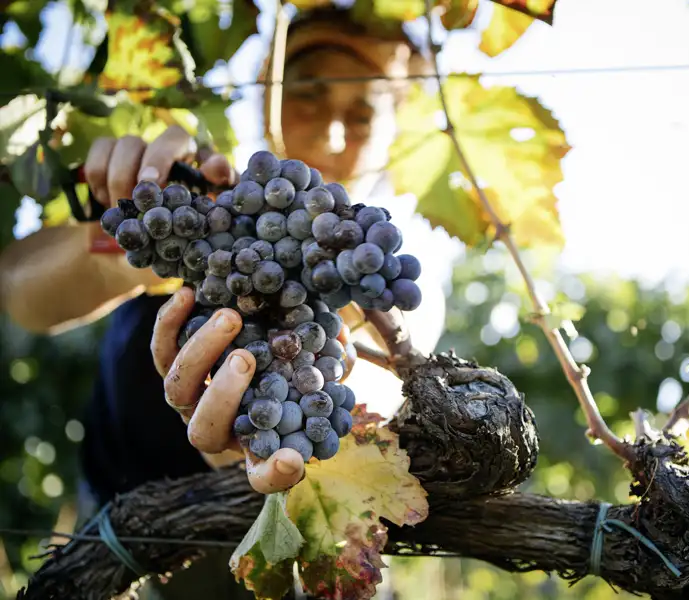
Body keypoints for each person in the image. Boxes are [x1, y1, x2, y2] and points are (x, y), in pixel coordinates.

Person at [0, 5, 430, 597]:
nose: (331, 132)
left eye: (361, 114)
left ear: (395, 132)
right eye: (308, 93)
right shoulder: (210, 220)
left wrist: (270, 439)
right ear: (266, 92)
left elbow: (380, 404)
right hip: (117, 555)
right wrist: (135, 209)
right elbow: (21, 294)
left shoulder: (382, 285)